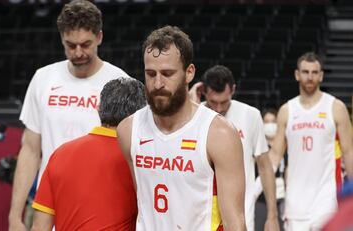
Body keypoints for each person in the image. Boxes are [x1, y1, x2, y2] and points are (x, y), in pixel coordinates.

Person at [8, 1, 130, 230]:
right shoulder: (43, 78)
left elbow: (128, 154)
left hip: (100, 208)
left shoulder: (119, 82)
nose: (79, 53)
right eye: (70, 45)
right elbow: (31, 150)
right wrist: (15, 215)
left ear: (100, 37)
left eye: (86, 44)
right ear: (61, 40)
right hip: (48, 207)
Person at [117, 26, 246, 231]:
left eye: (167, 73)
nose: (158, 83)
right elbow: (141, 201)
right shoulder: (127, 130)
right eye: (151, 74)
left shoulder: (219, 133)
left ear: (189, 73)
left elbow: (235, 221)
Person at [30, 78, 146, 231]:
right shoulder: (141, 160)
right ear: (141, 114)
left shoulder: (60, 154)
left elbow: (39, 227)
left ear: (99, 109)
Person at [268, 52, 353, 231]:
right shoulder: (287, 110)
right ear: (297, 75)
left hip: (326, 201)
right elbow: (275, 156)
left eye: (315, 72)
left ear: (321, 75)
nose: (310, 77)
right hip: (295, 203)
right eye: (305, 72)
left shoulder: (336, 108)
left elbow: (349, 152)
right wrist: (256, 189)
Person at [189, 65, 279, 231]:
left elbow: (265, 167)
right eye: (213, 102)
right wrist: (191, 102)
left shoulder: (250, 115)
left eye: (223, 102)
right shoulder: (193, 114)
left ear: (233, 90)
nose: (218, 109)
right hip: (200, 214)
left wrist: (272, 216)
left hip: (241, 213)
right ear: (203, 92)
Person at [255, 108, 286, 231]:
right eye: (266, 121)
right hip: (261, 197)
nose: (270, 125)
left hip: (282, 197)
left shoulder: (285, 145)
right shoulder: (258, 146)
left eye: (273, 121)